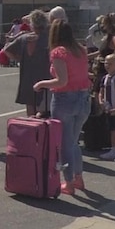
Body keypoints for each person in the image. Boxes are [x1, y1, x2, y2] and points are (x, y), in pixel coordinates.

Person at [34, 20, 92, 195]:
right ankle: (78, 177)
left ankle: (69, 182)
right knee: (74, 142)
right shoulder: (81, 50)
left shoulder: (58, 52)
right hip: (83, 98)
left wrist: (41, 84)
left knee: (65, 144)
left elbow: (62, 81)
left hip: (65, 98)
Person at [2, 10, 50, 117]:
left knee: (30, 109)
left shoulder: (24, 38)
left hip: (27, 77)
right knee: (44, 111)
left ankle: (32, 131)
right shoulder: (48, 38)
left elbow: (6, 50)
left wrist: (20, 59)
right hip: (44, 78)